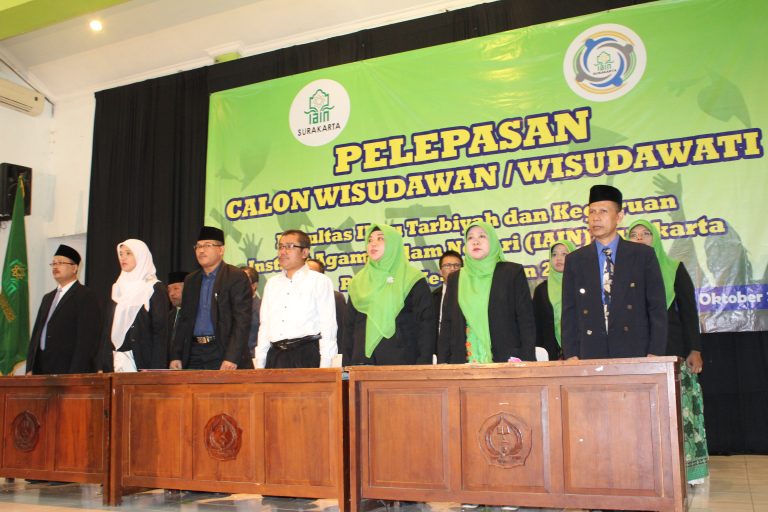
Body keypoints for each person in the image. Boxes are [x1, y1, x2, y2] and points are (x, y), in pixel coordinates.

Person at [627, 219, 709, 484]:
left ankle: (689, 469)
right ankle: (648, 469)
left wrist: (694, 348)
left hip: (673, 349)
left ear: (656, 238)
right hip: (636, 353)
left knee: (679, 410)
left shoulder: (674, 268)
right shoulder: (622, 274)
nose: (640, 238)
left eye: (646, 233)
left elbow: (688, 312)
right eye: (634, 235)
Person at [562, 184, 667, 359]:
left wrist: (655, 351)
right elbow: (569, 312)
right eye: (592, 212)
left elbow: (657, 307)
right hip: (590, 352)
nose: (596, 218)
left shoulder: (642, 255)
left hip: (635, 351)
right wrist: (571, 353)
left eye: (603, 211)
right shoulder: (575, 260)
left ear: (619, 216)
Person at [438, 221, 536, 363]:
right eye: (470, 238)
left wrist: (527, 360)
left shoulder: (512, 273)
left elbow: (526, 320)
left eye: (482, 236)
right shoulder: (456, 279)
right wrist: (442, 362)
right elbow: (447, 324)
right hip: (463, 362)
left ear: (493, 241)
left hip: (507, 361)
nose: (475, 241)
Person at [344, 224, 435, 366]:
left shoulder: (411, 279)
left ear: (393, 244)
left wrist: (423, 364)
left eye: (380, 239)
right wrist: (346, 367)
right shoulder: (358, 282)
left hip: (401, 362)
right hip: (362, 363)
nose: (373, 244)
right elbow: (349, 328)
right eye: (370, 240)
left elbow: (426, 325)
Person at [170, 226, 253, 370]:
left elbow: (242, 321)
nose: (201, 250)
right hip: (194, 352)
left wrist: (232, 357)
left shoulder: (236, 277)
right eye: (198, 246)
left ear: (221, 250)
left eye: (207, 245)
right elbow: (184, 320)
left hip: (222, 351)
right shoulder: (191, 280)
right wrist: (176, 354)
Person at [255, 230, 337, 368]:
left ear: (304, 252)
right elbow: (265, 326)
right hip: (275, 356)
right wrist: (260, 363)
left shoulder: (319, 281)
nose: (283, 252)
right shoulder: (272, 284)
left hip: (305, 355)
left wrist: (325, 366)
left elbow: (328, 326)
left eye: (289, 246)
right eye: (280, 246)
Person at [26, 245, 103, 374]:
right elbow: (36, 335)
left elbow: (87, 340)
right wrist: (30, 368)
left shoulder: (85, 296)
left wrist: (75, 373)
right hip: (41, 369)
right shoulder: (47, 298)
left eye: (61, 263)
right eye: (53, 263)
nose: (55, 267)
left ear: (75, 268)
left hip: (68, 370)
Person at [99, 239, 170, 371]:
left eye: (128, 253)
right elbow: (108, 329)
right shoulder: (118, 288)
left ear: (140, 255)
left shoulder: (153, 288)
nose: (123, 257)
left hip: (142, 362)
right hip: (115, 360)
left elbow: (160, 333)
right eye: (121, 254)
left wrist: (156, 370)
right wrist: (101, 363)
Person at [532, 240, 577, 361]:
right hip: (550, 354)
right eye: (554, 254)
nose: (558, 258)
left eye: (564, 254)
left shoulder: (581, 287)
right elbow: (536, 327)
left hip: (580, 352)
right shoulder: (541, 290)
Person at [307, 257, 346, 348]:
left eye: (312, 272)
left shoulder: (336, 297)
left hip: (326, 349)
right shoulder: (291, 298)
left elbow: (341, 330)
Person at [433, 250, 463, 334]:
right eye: (447, 265)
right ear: (440, 271)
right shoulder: (432, 297)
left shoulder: (470, 293)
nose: (452, 269)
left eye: (456, 265)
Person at [240, 266, 261, 358]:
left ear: (254, 285)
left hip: (254, 357)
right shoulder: (228, 307)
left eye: (244, 282)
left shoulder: (262, 307)